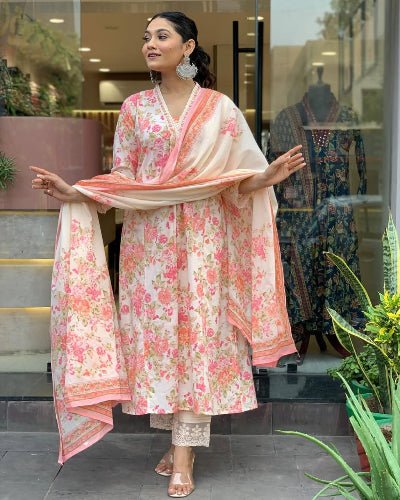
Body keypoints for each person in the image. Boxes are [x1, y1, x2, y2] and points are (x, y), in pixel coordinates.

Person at [31, 11, 305, 498]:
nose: (150, 44)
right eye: (146, 38)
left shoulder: (219, 109)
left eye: (162, 36)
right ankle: (179, 441)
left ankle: (184, 455)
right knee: (159, 343)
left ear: (188, 46)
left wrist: (268, 176)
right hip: (149, 244)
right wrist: (76, 192)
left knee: (199, 337)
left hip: (204, 239)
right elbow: (124, 178)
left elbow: (238, 179)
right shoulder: (135, 108)